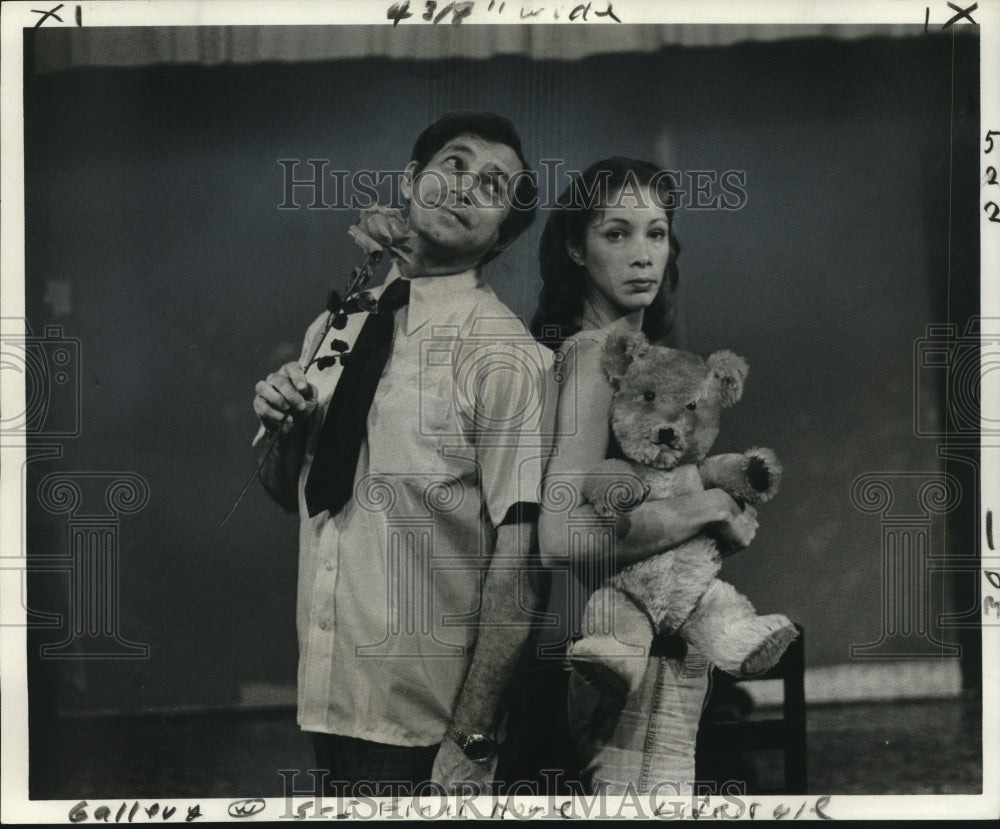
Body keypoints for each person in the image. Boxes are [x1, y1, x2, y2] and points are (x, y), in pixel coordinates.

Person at [251, 112, 554, 794]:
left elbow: (522, 565)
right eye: (453, 163)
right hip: (326, 694)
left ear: (502, 232)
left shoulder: (507, 357)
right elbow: (294, 490)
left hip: (428, 724)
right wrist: (283, 429)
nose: (465, 187)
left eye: (494, 185)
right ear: (411, 179)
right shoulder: (338, 325)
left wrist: (473, 741)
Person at [532, 157, 759, 795]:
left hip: (647, 641)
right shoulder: (588, 363)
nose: (642, 255)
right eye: (617, 233)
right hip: (607, 648)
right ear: (576, 247)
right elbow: (559, 537)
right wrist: (709, 508)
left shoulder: (636, 364)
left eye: (655, 234)